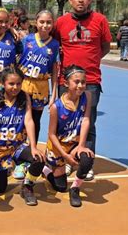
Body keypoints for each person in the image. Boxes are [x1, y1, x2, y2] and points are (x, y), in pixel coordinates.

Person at [52, 0, 111, 181]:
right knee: (64, 125)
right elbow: (54, 45)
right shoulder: (61, 22)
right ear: (70, 0)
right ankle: (65, 160)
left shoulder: (100, 20)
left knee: (88, 124)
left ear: (90, 0)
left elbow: (105, 47)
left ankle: (85, 162)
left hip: (91, 82)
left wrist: (90, 63)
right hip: (65, 82)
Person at [0, 67, 45, 205]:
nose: (15, 87)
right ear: (3, 84)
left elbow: (29, 121)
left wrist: (33, 146)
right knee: (0, 188)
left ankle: (28, 186)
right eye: (11, 84)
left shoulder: (25, 99)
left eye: (18, 83)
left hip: (17, 147)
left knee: (39, 158)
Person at [14, 10, 59, 179]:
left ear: (52, 24)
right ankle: (17, 157)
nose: (45, 25)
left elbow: (55, 70)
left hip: (41, 86)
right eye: (42, 21)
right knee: (21, 120)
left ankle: (28, 158)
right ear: (36, 22)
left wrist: (54, 93)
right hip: (24, 83)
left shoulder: (54, 45)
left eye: (48, 22)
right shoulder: (27, 40)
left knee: (35, 121)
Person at [43, 65, 93, 208]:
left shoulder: (87, 96)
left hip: (74, 144)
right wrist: (65, 156)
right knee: (60, 186)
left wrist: (81, 146)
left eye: (83, 82)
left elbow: (85, 120)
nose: (80, 85)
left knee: (87, 157)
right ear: (66, 84)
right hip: (58, 147)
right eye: (76, 82)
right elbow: (51, 134)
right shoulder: (56, 107)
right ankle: (45, 169)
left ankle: (75, 188)